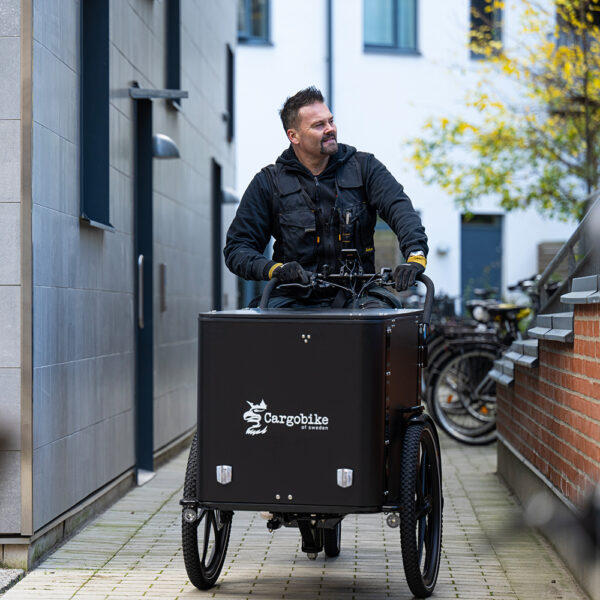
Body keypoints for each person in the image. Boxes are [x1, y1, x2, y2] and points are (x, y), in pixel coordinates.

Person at [224, 86, 428, 307]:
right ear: (294, 136)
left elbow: (401, 210)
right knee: (263, 328)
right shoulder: (268, 183)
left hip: (359, 296)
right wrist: (277, 270)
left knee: (383, 325)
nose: (330, 129)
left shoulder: (365, 168)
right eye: (319, 125)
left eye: (330, 121)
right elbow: (237, 249)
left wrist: (415, 257)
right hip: (292, 299)